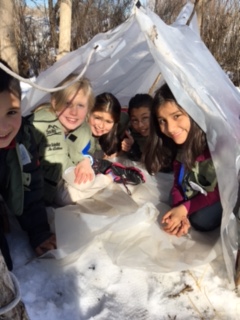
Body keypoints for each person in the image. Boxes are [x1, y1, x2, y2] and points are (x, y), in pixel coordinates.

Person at [143, 83, 222, 237]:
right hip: (196, 190)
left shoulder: (215, 147)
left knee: (201, 220)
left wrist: (185, 208)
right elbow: (177, 183)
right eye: (162, 121)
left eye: (176, 116)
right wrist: (180, 210)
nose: (171, 128)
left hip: (217, 195)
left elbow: (221, 191)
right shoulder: (180, 146)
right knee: (172, 198)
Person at [0, 59, 56, 269]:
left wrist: (39, 231)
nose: (3, 127)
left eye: (11, 112)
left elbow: (29, 186)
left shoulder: (22, 137)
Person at [28, 74, 95, 205]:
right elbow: (57, 155)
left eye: (80, 105)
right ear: (54, 102)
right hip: (30, 196)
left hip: (51, 189)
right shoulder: (42, 124)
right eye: (68, 103)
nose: (74, 112)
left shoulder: (83, 128)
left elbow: (90, 145)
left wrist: (86, 160)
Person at [88, 92, 129, 159]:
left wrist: (127, 148)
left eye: (108, 122)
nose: (101, 126)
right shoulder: (75, 133)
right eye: (98, 118)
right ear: (89, 113)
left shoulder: (115, 137)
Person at [122, 93, 153, 161]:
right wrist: (131, 147)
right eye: (135, 120)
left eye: (145, 118)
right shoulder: (131, 135)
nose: (140, 125)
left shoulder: (166, 135)